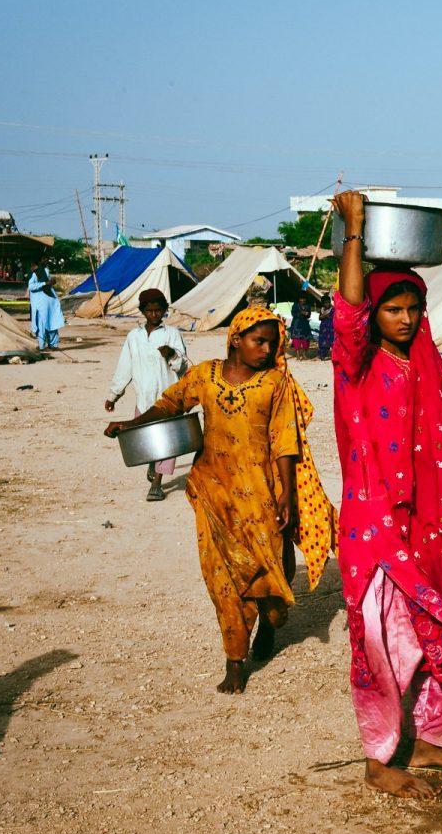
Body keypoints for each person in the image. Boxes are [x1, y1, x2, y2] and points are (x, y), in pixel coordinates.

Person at [329, 191, 442, 802]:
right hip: (377, 527)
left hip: (433, 523)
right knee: (383, 643)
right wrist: (355, 229)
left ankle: (433, 739)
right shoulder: (356, 364)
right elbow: (348, 312)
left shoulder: (425, 363)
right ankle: (379, 759)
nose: (404, 319)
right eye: (393, 309)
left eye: (413, 308)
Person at [105, 308, 335, 695]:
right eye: (259, 341)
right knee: (222, 577)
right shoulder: (205, 375)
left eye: (272, 343)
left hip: (261, 495)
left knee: (271, 570)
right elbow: (171, 403)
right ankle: (235, 659)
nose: (267, 350)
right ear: (236, 339)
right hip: (214, 491)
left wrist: (287, 494)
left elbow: (285, 440)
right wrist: (131, 424)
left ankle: (269, 623)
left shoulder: (275, 383)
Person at [104, 289, 190, 501]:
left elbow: (183, 365)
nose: (154, 315)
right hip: (144, 399)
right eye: (149, 311)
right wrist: (114, 395)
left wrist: (171, 354)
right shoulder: (134, 337)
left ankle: (157, 484)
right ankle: (152, 462)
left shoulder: (172, 334)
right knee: (148, 439)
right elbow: (125, 367)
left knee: (168, 443)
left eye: (158, 310)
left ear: (164, 310)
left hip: (167, 400)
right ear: (142, 311)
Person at [27, 261, 64, 351]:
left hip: (47, 305)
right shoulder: (37, 274)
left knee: (49, 324)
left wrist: (48, 283)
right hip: (43, 305)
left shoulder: (42, 272)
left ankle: (50, 345)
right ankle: (45, 346)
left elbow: (34, 286)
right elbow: (32, 287)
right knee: (46, 325)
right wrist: (44, 283)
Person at [316, 294, 335, 361]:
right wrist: (323, 316)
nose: (327, 304)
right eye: (325, 303)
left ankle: (334, 356)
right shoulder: (322, 309)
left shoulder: (333, 309)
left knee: (332, 341)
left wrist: (326, 316)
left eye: (328, 302)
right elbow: (319, 318)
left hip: (331, 328)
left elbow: (333, 317)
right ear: (323, 303)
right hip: (323, 327)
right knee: (322, 341)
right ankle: (322, 355)